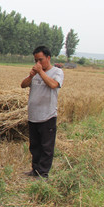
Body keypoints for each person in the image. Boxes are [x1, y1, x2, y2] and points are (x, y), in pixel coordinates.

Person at [20, 45, 64, 178]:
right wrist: (31, 75)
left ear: (48, 58)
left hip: (47, 116)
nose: (38, 63)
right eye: (35, 61)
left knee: (46, 147)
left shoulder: (57, 72)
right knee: (34, 146)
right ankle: (35, 170)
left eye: (40, 60)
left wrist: (40, 72)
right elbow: (23, 85)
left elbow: (53, 85)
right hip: (33, 116)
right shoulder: (36, 73)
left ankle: (43, 173)